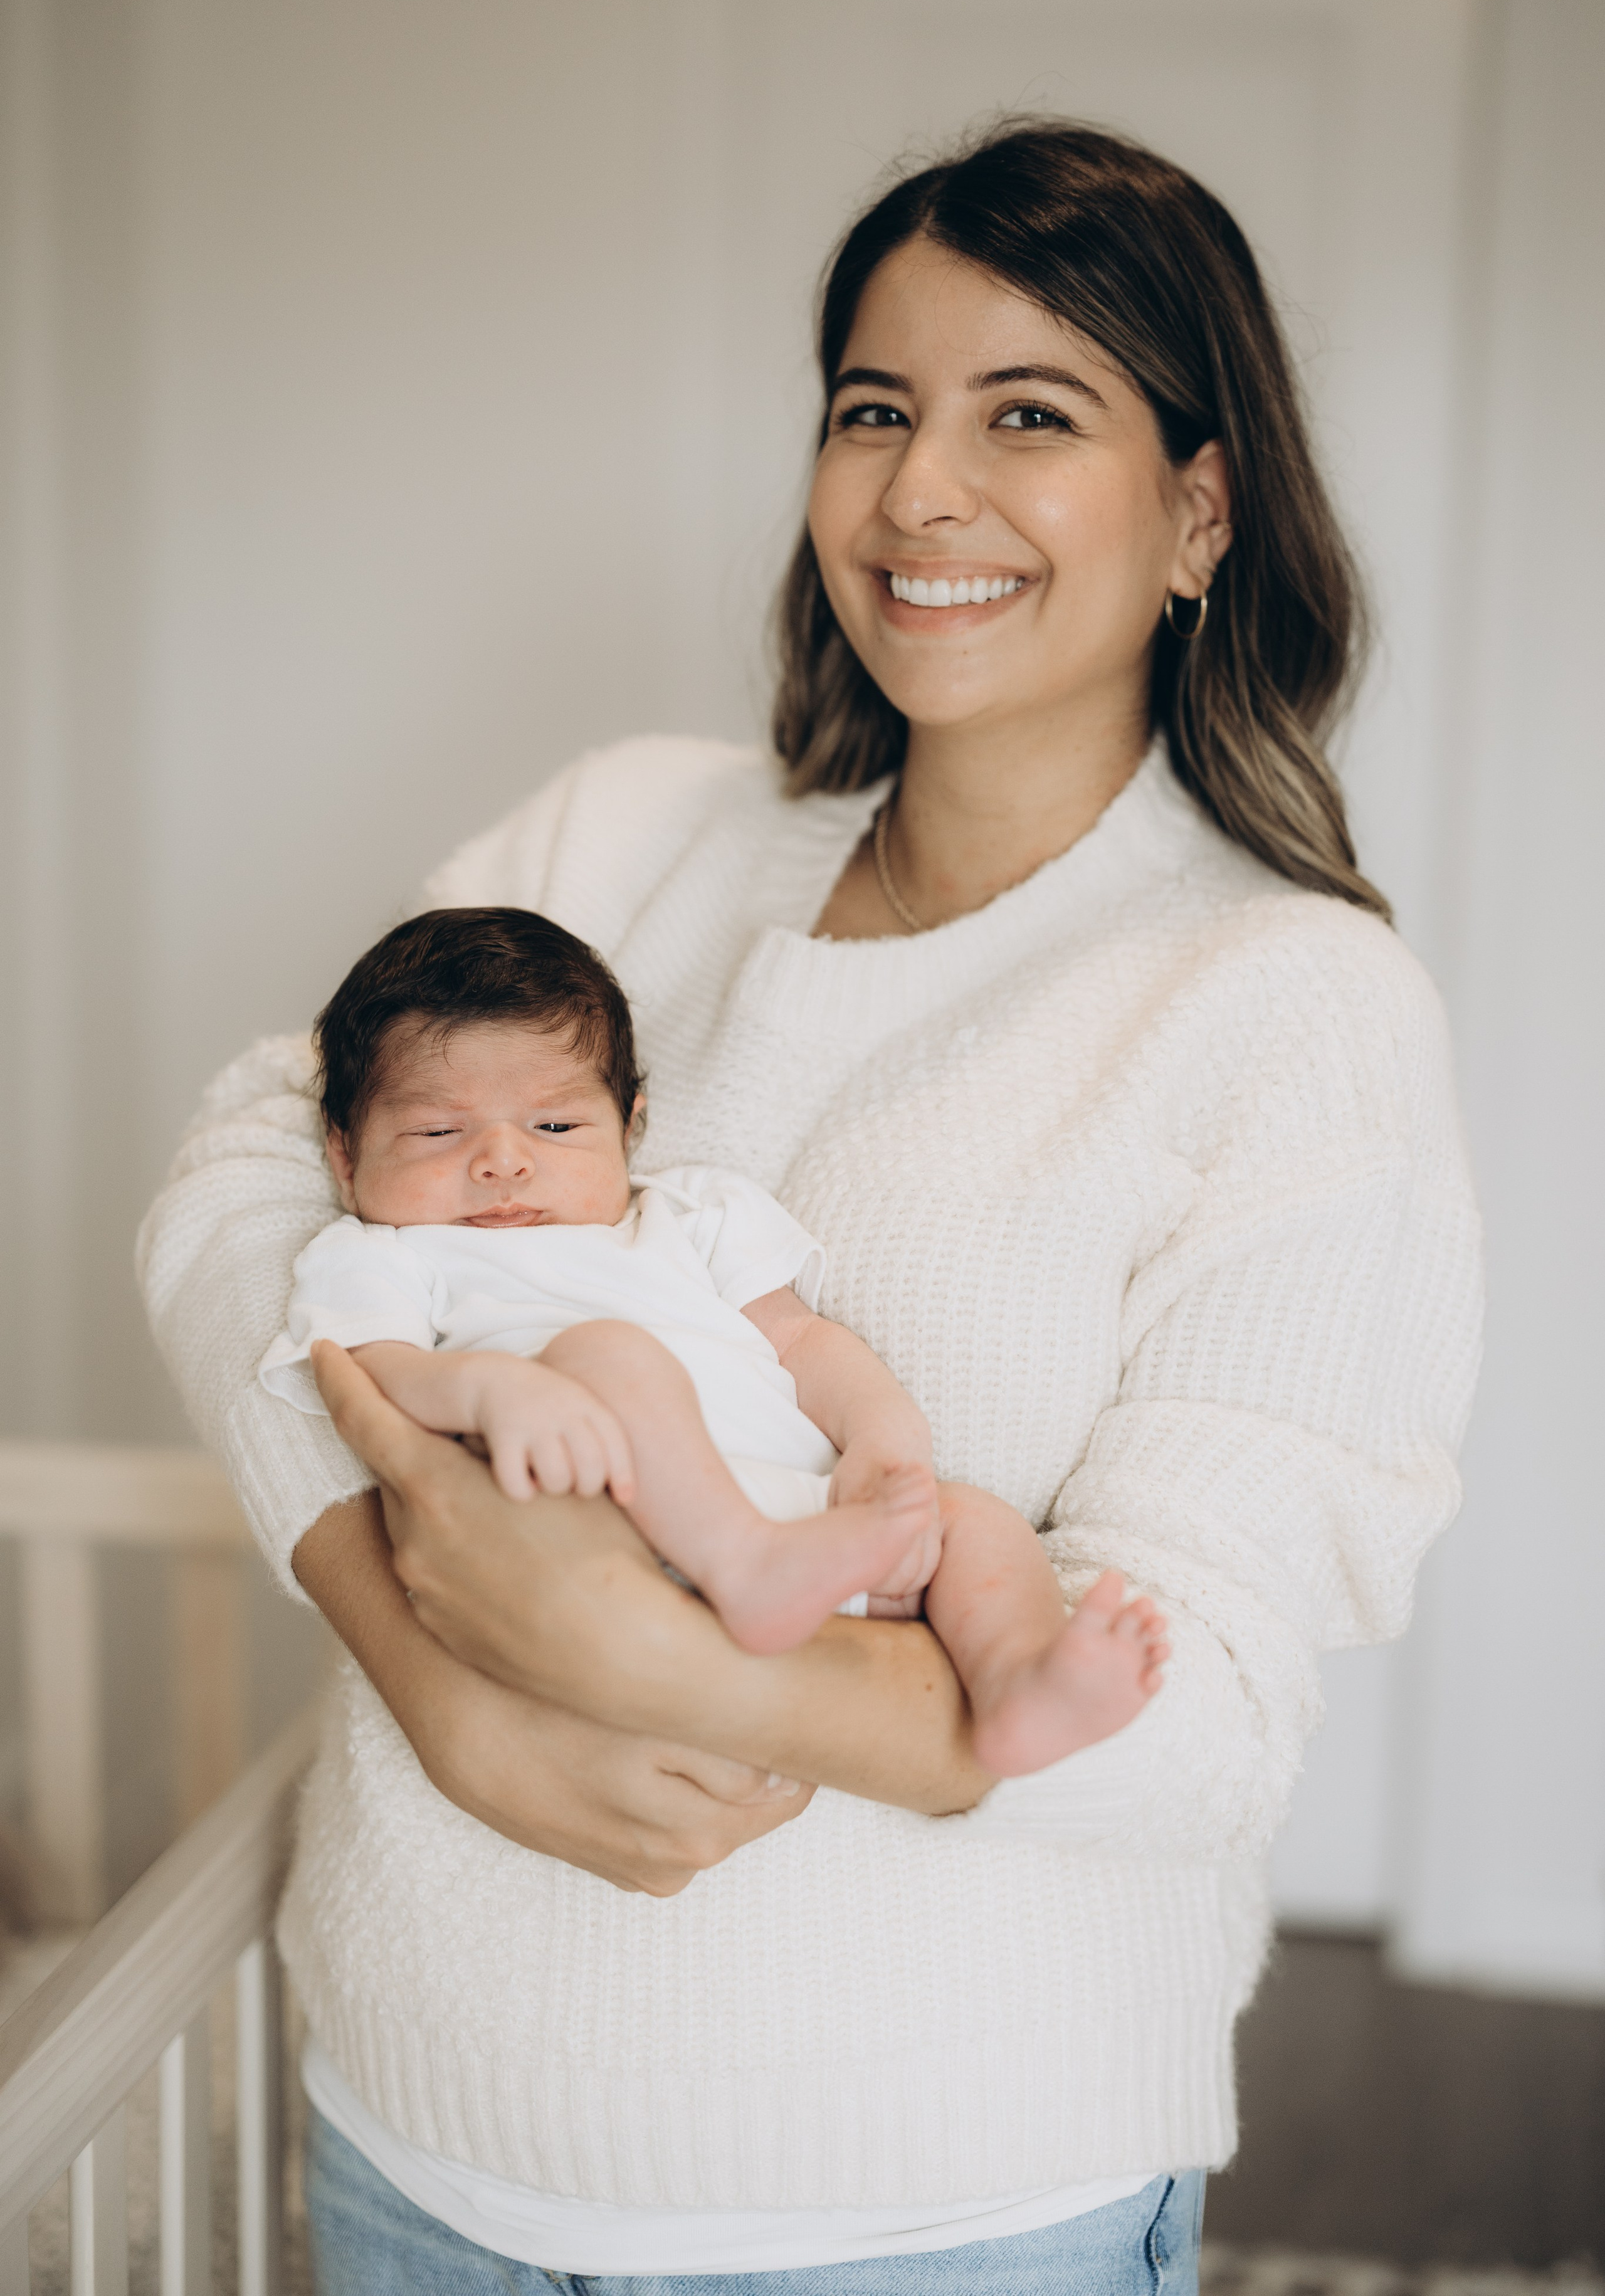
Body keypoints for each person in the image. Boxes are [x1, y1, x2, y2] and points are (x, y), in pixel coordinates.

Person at [137, 119, 1482, 2293]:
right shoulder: (626, 835)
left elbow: (1202, 1707)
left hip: (927, 2202)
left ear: (1201, 509)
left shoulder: (1293, 1007)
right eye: (876, 410)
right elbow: (239, 1177)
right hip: (417, 2130)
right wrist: (433, 1662)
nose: (919, 492)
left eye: (1027, 416)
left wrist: (670, 1663)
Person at [258, 903, 1170, 1762]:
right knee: (608, 1353)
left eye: (556, 1123)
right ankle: (745, 1562)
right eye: (437, 1131)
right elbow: (376, 1376)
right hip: (600, 1548)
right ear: (344, 1155)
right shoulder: (381, 1254)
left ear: (631, 1126)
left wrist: (888, 1449)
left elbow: (806, 1344)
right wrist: (494, 1390)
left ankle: (1014, 1684)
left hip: (817, 1537)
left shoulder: (694, 1215)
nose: (503, 1158)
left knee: (978, 1521)